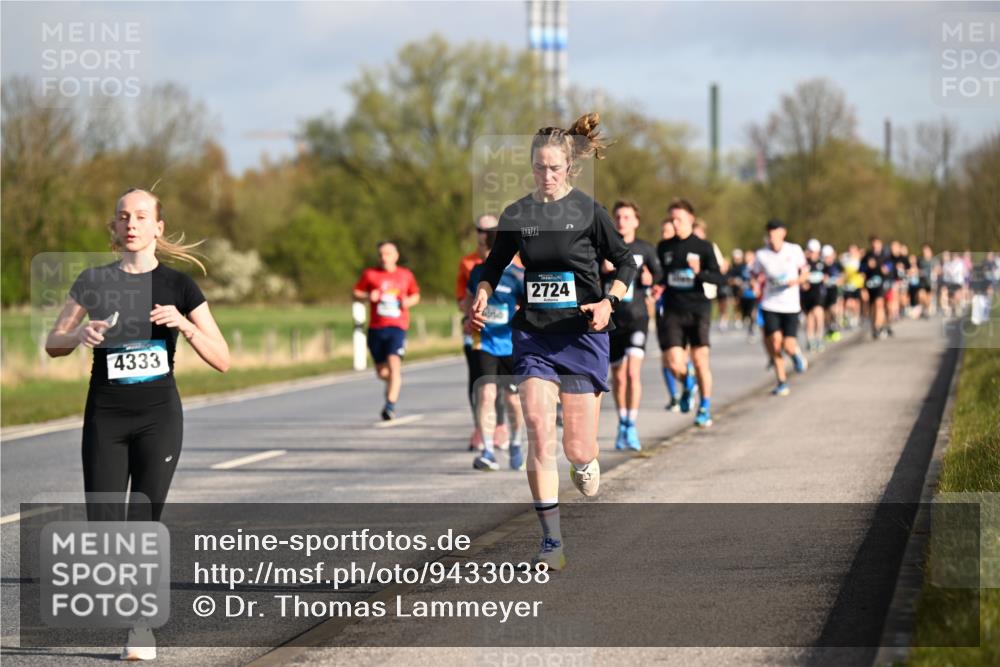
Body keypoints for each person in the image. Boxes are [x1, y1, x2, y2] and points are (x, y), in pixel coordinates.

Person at [45, 187, 230, 661]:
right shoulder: (93, 281)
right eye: (123, 216)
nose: (131, 224)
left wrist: (186, 326)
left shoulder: (179, 286)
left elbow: (223, 358)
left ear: (158, 227)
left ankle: (140, 626)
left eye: (142, 216)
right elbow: (53, 343)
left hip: (158, 418)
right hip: (105, 416)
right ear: (114, 225)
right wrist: (78, 333)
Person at [470, 113, 637, 570]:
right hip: (534, 334)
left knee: (577, 448)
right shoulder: (517, 214)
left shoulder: (589, 212)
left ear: (569, 167)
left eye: (555, 168)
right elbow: (494, 264)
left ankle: (586, 461)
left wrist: (609, 302)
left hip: (582, 334)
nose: (547, 176)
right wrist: (483, 290)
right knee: (539, 428)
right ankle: (551, 542)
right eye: (540, 167)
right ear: (531, 166)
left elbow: (625, 263)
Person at [654, 198, 724, 427]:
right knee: (674, 363)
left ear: (691, 219)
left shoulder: (704, 247)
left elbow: (719, 278)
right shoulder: (664, 247)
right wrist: (655, 284)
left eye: (679, 219)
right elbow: (661, 276)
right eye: (672, 219)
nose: (675, 223)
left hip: (698, 309)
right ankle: (688, 381)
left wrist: (699, 272)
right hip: (673, 310)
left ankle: (704, 407)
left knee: (700, 361)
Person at [463, 230, 526, 471]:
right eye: (486, 249)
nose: (488, 254)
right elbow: (468, 298)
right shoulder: (478, 272)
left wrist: (521, 313)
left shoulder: (518, 275)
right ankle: (488, 450)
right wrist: (469, 316)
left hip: (510, 343)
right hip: (484, 341)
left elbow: (527, 304)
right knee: (486, 393)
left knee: (512, 400)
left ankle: (516, 444)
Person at [601, 200, 661, 451]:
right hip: (613, 320)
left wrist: (651, 279)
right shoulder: (603, 248)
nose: (621, 221)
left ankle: (631, 425)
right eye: (618, 217)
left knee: (632, 373)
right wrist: (602, 269)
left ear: (636, 221)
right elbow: (588, 277)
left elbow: (659, 276)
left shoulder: (645, 249)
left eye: (627, 217)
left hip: (637, 317)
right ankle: (622, 422)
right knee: (618, 377)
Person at [353, 241, 420, 420]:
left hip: (397, 326)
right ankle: (394, 382)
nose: (384, 258)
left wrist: (407, 301)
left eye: (388, 254)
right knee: (382, 372)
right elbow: (356, 293)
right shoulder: (370, 274)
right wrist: (369, 296)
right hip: (376, 328)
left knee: (393, 362)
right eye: (381, 254)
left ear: (396, 256)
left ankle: (389, 406)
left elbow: (415, 295)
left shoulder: (405, 275)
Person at [456, 215, 507, 450]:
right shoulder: (468, 263)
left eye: (490, 230)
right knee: (479, 379)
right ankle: (480, 427)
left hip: (505, 335)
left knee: (501, 383)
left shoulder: (513, 262)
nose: (484, 234)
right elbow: (462, 296)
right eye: (480, 229)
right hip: (476, 331)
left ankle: (500, 426)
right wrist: (472, 312)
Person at [750, 219, 809, 396]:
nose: (772, 237)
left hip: (790, 305)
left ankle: (795, 355)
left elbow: (805, 272)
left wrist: (796, 281)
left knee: (788, 346)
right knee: (775, 343)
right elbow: (753, 274)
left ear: (783, 233)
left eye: (775, 233)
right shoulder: (761, 254)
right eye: (769, 234)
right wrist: (754, 285)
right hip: (770, 304)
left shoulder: (794, 250)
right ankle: (782, 382)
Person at [861, 236, 891, 339]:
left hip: (881, 284)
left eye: (877, 244)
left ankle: (878, 327)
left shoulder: (885, 256)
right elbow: (861, 272)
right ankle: (875, 327)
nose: (875, 246)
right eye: (873, 244)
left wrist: (882, 267)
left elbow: (888, 269)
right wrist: (863, 289)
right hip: (869, 285)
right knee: (872, 307)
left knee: (879, 304)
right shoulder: (867, 256)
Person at [801, 238, 827, 352]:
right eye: (810, 251)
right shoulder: (804, 264)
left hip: (819, 293)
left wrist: (826, 278)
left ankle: (819, 338)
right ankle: (810, 340)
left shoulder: (822, 263)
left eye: (814, 251)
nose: (812, 254)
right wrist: (803, 283)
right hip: (807, 294)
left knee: (818, 313)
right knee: (810, 317)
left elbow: (829, 275)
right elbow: (799, 277)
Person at [821, 244, 844, 341]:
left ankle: (835, 328)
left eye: (828, 257)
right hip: (824, 292)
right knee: (826, 312)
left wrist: (837, 281)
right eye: (825, 257)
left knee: (833, 309)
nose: (827, 259)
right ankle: (828, 329)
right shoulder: (821, 266)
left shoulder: (837, 265)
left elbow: (842, 277)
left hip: (834, 291)